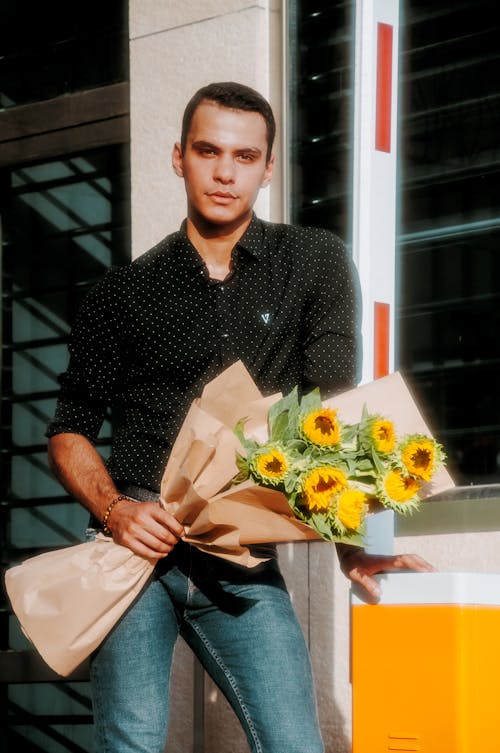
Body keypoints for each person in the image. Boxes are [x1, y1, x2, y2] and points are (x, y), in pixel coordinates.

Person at [46, 81, 433, 753]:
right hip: (134, 543)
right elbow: (69, 426)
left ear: (268, 166)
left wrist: (356, 543)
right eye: (208, 151)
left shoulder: (312, 262)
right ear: (178, 157)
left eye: (245, 156)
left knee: (294, 742)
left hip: (240, 549)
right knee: (129, 742)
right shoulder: (121, 293)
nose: (225, 172)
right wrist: (115, 511)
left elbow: (333, 414)